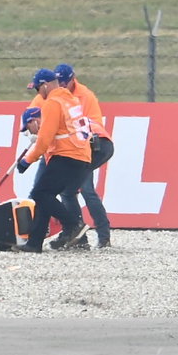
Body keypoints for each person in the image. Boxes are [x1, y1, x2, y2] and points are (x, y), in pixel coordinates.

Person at [6, 68, 90, 252]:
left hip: (67, 155)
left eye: (37, 88)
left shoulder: (53, 103)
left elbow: (44, 139)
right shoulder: (71, 99)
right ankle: (34, 243)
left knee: (40, 194)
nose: (38, 93)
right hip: (81, 155)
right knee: (45, 196)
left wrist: (27, 161)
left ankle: (73, 225)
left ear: (45, 85)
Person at [51, 63, 113, 248]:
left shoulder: (85, 96)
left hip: (91, 146)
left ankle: (98, 237)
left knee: (82, 190)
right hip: (77, 147)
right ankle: (82, 237)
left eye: (64, 83)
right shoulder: (56, 95)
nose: (62, 86)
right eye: (59, 83)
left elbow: (93, 124)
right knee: (72, 191)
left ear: (72, 79)